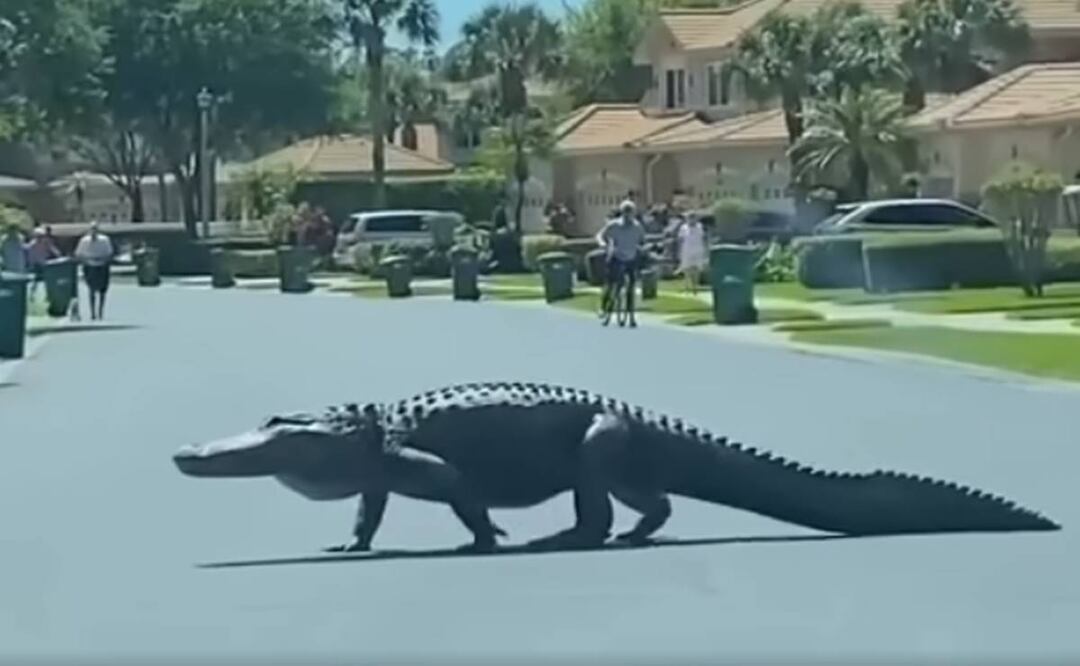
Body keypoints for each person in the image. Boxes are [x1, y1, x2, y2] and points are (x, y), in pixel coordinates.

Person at [595, 199, 647, 328]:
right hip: (616, 257)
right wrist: (603, 244)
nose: (628, 215)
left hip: (631, 258)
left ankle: (631, 315)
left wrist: (643, 248)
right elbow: (600, 235)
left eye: (630, 212)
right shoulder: (614, 225)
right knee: (610, 283)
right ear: (622, 212)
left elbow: (642, 241)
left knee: (631, 286)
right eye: (625, 212)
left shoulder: (637, 227)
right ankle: (603, 306)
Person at [74, 221, 114, 320]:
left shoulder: (104, 240)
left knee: (103, 290)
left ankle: (100, 311)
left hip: (102, 265)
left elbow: (109, 253)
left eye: (95, 230)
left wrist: (104, 260)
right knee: (91, 290)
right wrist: (85, 261)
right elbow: (78, 253)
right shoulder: (84, 241)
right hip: (89, 266)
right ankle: (92, 313)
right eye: (92, 230)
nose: (94, 232)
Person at [676, 212, 709, 295]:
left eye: (693, 218)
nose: (691, 220)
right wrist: (679, 251)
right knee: (686, 269)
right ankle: (687, 286)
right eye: (689, 218)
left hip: (698, 250)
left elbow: (703, 238)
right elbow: (680, 240)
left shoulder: (700, 227)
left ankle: (695, 287)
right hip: (687, 250)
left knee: (697, 269)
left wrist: (705, 250)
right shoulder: (683, 228)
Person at [26, 226, 61, 302]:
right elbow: (31, 256)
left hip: (45, 264)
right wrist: (31, 264)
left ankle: (48, 296)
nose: (41, 238)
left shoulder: (45, 243)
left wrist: (58, 254)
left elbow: (53, 249)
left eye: (42, 236)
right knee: (35, 281)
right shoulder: (33, 244)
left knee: (47, 281)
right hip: (37, 265)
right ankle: (32, 296)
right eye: (39, 236)